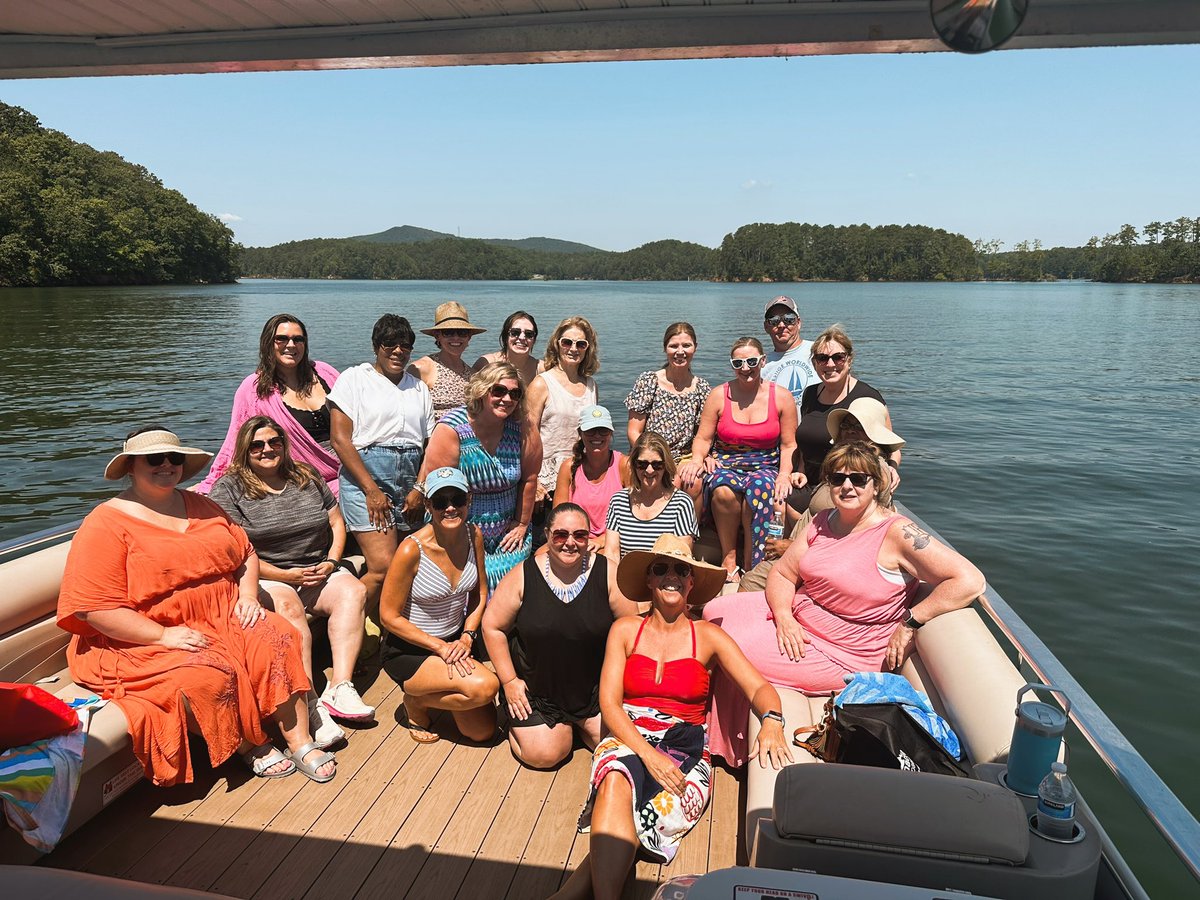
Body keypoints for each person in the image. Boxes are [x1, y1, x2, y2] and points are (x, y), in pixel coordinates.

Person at [57, 428, 336, 785]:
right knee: (205, 674)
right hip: (145, 634)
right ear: (131, 467)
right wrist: (163, 635)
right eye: (154, 459)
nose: (166, 465)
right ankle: (250, 746)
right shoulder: (105, 523)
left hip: (224, 613)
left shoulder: (201, 505)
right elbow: (94, 609)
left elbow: (245, 554)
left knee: (277, 636)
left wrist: (248, 597)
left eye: (174, 458)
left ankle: (301, 741)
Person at [703, 442, 986, 766]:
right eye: (837, 478)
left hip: (844, 650)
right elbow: (783, 573)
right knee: (715, 611)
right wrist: (784, 616)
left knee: (724, 642)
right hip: (799, 620)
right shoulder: (823, 521)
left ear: (876, 484)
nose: (847, 485)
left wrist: (911, 621)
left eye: (858, 478)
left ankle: (721, 745)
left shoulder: (896, 533)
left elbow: (970, 580)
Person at [550, 534, 793, 900]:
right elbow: (610, 705)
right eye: (661, 569)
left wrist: (772, 720)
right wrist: (649, 756)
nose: (671, 576)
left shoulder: (708, 636)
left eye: (682, 569)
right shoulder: (625, 630)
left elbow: (759, 688)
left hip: (684, 748)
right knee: (617, 776)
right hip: (627, 736)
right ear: (648, 580)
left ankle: (570, 893)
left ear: (692, 582)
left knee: (621, 802)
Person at [209, 416, 373, 750]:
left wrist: (331, 560)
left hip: (317, 569)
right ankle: (309, 702)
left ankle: (340, 687)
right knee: (288, 606)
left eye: (274, 442)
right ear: (245, 449)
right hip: (268, 575)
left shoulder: (305, 475)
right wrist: (286, 575)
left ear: (284, 444)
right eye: (257, 445)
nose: (267, 450)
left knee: (354, 591)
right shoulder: (229, 489)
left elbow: (335, 521)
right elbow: (235, 552)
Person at [483, 503, 637, 770]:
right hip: (539, 690)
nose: (570, 543)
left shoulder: (608, 572)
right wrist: (508, 681)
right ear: (547, 534)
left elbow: (630, 629)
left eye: (580, 535)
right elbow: (492, 627)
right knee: (546, 754)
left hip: (592, 691)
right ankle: (535, 728)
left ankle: (575, 726)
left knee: (620, 745)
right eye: (560, 535)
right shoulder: (524, 575)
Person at [378, 467, 499, 744]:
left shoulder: (474, 535)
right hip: (412, 650)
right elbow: (388, 616)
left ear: (469, 500)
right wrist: (440, 647)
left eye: (457, 499)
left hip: (456, 640)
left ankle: (425, 699)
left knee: (482, 731)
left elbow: (480, 594)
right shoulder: (411, 549)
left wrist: (468, 636)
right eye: (440, 502)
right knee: (486, 686)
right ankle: (415, 702)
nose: (450, 508)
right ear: (428, 505)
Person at [739, 396, 905, 592]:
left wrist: (793, 547)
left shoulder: (876, 473)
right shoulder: (842, 463)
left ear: (873, 434)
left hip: (822, 560)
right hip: (803, 549)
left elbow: (859, 537)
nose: (850, 430)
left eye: (859, 425)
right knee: (750, 580)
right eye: (846, 424)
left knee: (750, 584)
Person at [328, 314, 435, 617]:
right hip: (367, 477)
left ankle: (389, 627)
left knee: (410, 563)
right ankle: (349, 625)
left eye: (405, 345)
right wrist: (371, 491)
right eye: (390, 344)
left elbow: (428, 446)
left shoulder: (418, 388)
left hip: (411, 478)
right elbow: (340, 440)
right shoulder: (354, 379)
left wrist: (420, 488)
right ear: (376, 346)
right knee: (383, 566)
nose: (398, 351)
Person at [678, 337, 799, 581]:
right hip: (726, 462)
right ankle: (728, 556)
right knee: (723, 490)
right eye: (738, 363)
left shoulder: (781, 397)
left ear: (763, 361)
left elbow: (788, 445)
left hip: (766, 464)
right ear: (732, 365)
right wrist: (698, 459)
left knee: (763, 488)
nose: (745, 368)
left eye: (752, 361)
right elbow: (703, 438)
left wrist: (785, 474)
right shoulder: (718, 395)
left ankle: (754, 563)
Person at [417, 361, 541, 589]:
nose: (507, 399)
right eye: (499, 391)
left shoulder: (523, 428)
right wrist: (456, 535)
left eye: (515, 393)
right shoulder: (451, 430)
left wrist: (521, 523)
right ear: (482, 391)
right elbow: (440, 490)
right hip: (457, 527)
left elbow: (529, 479)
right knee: (475, 583)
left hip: (507, 532)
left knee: (513, 588)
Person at [197, 314, 341, 495]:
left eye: (298, 339)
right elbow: (236, 439)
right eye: (281, 339)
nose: (291, 345)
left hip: (351, 465)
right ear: (268, 343)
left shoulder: (325, 372)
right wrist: (211, 486)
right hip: (304, 480)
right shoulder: (253, 389)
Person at [789, 324, 898, 515]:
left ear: (849, 359)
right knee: (777, 497)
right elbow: (805, 443)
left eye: (837, 357)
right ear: (815, 363)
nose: (830, 364)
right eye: (822, 358)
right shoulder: (810, 393)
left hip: (843, 484)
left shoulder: (868, 396)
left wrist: (891, 468)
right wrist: (799, 471)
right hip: (809, 482)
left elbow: (891, 446)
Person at [525, 316, 599, 505]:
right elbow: (526, 435)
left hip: (581, 473)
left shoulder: (591, 385)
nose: (573, 349)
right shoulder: (542, 383)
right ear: (557, 345)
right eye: (567, 342)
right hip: (547, 479)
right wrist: (533, 480)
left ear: (587, 349)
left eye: (581, 344)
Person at [624, 322, 711, 474]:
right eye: (673, 346)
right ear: (665, 348)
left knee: (694, 480)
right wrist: (651, 458)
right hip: (648, 455)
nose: (680, 352)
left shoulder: (701, 388)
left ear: (695, 347)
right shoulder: (649, 381)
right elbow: (634, 431)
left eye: (686, 345)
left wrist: (704, 456)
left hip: (684, 457)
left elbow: (702, 435)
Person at [605, 431, 698, 560]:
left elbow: (682, 557)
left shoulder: (681, 503)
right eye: (642, 464)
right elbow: (611, 553)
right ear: (634, 464)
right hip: (626, 577)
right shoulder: (618, 502)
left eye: (657, 465)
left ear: (665, 466)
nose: (649, 470)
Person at [553, 405, 627, 554]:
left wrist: (601, 541)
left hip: (613, 540)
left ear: (611, 433)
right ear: (581, 433)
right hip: (575, 540)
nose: (597, 436)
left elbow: (633, 516)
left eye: (603, 430)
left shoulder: (624, 465)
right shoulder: (568, 467)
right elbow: (558, 516)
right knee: (539, 557)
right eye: (591, 431)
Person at [409, 301, 486, 417]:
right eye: (448, 332)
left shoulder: (472, 375)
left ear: (469, 337)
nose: (456, 338)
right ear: (437, 335)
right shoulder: (421, 369)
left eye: (462, 333)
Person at [759, 296, 817, 406]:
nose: (781, 325)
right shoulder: (761, 364)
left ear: (798, 323)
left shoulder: (819, 351)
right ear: (766, 326)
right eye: (774, 321)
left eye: (789, 319)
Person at [473, 310, 541, 385]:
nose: (522, 337)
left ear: (534, 340)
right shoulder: (486, 363)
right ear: (505, 337)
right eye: (515, 332)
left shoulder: (541, 368)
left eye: (529, 334)